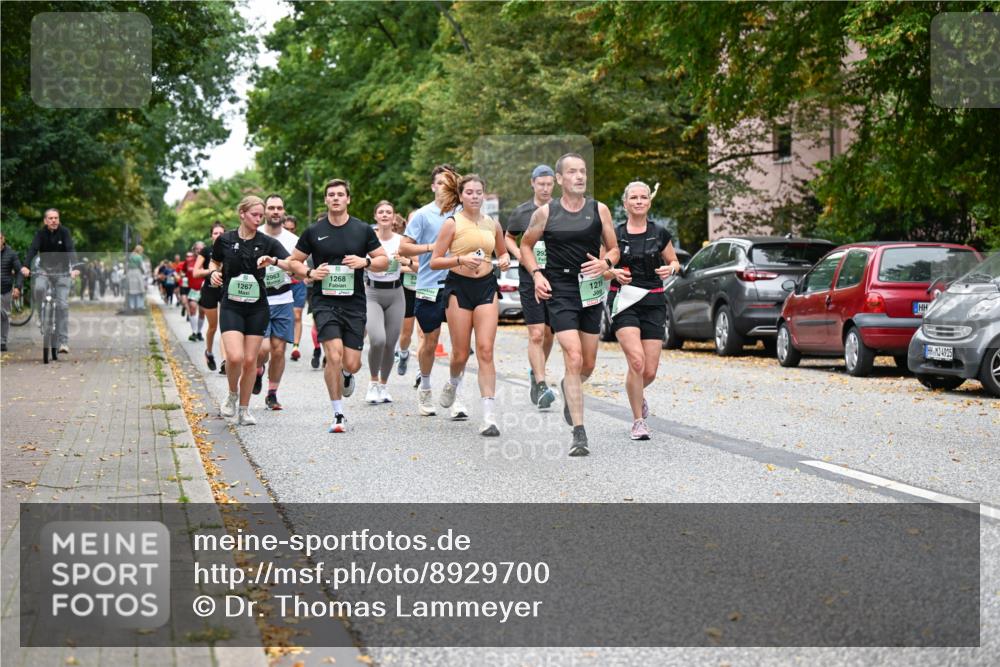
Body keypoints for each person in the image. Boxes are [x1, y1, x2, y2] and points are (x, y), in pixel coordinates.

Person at [519, 153, 619, 457]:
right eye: (572, 172)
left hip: (590, 289)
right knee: (573, 356)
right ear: (560, 179)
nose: (579, 176)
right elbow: (525, 245)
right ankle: (579, 432)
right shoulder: (545, 213)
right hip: (560, 288)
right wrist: (536, 274)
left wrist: (605, 263)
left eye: (583, 171)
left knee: (586, 365)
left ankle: (568, 386)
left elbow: (614, 249)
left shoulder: (598, 210)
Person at [287, 179, 388, 433]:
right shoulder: (313, 231)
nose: (335, 198)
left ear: (348, 199)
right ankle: (338, 414)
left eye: (340, 195)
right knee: (333, 355)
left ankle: (346, 374)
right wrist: (309, 273)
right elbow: (293, 262)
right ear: (325, 200)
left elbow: (383, 261)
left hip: (354, 302)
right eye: (331, 195)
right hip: (324, 302)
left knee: (351, 363)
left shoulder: (362, 230)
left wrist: (364, 262)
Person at [429, 173, 510, 436]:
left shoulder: (492, 224)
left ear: (483, 194)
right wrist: (460, 259)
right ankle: (453, 382)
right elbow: (435, 261)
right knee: (461, 354)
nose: (475, 196)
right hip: (459, 288)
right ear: (461, 196)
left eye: (479, 192)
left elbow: (502, 251)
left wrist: (506, 259)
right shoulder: (452, 223)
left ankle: (489, 417)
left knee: (485, 350)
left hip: (486, 287)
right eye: (470, 192)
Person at [604, 182, 681, 440]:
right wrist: (612, 272)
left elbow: (674, 262)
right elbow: (602, 269)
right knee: (636, 361)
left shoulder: (659, 233)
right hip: (624, 301)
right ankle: (638, 421)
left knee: (648, 371)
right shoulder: (615, 235)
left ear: (649, 202)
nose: (639, 201)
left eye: (643, 197)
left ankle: (637, 393)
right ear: (625, 204)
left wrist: (670, 269)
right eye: (633, 198)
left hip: (653, 301)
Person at [208, 196, 291, 425]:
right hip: (231, 305)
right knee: (234, 357)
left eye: (261, 215)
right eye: (255, 214)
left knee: (250, 361)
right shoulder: (224, 240)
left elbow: (292, 263)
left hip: (257, 307)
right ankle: (232, 394)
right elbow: (214, 263)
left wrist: (273, 261)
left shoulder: (267, 242)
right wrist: (213, 273)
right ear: (242, 214)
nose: (259, 218)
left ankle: (244, 411)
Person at [398, 164, 458, 416]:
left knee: (461, 342)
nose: (444, 188)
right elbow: (403, 248)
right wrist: (431, 247)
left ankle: (457, 393)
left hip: (458, 284)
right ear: (433, 186)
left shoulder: (465, 214)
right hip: (429, 284)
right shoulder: (423, 215)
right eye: (440, 183)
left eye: (449, 183)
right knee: (430, 341)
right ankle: (425, 387)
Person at [504, 164, 557, 410]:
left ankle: (535, 373)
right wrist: (520, 256)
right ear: (532, 183)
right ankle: (542, 383)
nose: (545, 189)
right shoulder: (522, 212)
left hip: (557, 278)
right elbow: (508, 237)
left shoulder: (562, 210)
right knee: (536, 333)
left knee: (548, 334)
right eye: (541, 184)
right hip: (529, 277)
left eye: (549, 184)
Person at [255, 194, 299, 410]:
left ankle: (272, 393)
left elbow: (298, 269)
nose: (275, 211)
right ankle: (257, 370)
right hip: (259, 299)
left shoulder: (293, 240)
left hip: (283, 298)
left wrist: (299, 273)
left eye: (279, 208)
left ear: (283, 211)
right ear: (264, 211)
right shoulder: (255, 235)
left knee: (279, 349)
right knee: (262, 349)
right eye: (271, 207)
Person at [363, 201, 408, 404]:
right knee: (378, 340)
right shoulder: (367, 240)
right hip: (372, 293)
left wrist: (406, 261)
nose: (384, 215)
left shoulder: (401, 241)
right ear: (375, 216)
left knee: (390, 344)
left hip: (396, 293)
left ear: (393, 217)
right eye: (380, 211)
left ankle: (383, 385)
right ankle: (372, 383)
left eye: (388, 212)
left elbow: (417, 266)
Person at [22, 208, 80, 354]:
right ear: (45, 221)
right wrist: (25, 266)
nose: (54, 220)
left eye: (56, 218)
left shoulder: (64, 232)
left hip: (62, 272)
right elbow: (32, 250)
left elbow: (70, 249)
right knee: (39, 288)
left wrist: (75, 267)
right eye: (51, 218)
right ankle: (41, 317)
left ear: (58, 219)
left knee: (63, 305)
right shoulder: (40, 234)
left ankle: (63, 342)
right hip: (44, 270)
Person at [193, 223, 225, 371]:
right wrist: (212, 271)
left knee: (227, 327)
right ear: (211, 235)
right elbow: (196, 273)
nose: (218, 235)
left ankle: (225, 360)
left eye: (221, 233)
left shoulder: (231, 249)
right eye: (215, 233)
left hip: (226, 290)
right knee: (213, 326)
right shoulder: (206, 251)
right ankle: (209, 352)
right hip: (210, 290)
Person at [393, 213, 419, 376]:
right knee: (406, 333)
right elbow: (396, 266)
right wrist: (412, 266)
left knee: (425, 334)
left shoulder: (433, 239)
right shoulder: (403, 242)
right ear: (408, 223)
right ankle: (403, 353)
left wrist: (411, 264)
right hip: (408, 289)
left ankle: (421, 372)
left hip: (426, 290)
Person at [282, 215, 307, 361]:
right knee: (287, 316)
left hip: (297, 283)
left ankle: (296, 346)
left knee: (297, 315)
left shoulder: (298, 241)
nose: (289, 231)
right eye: (286, 229)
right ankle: (280, 342)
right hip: (282, 283)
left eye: (292, 229)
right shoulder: (276, 241)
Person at [1, 232, 24, 352]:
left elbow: (19, 271)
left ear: (3, 239)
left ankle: (2, 342)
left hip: (5, 288)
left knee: (4, 314)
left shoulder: (11, 254)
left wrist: (17, 287)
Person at [184, 248, 206, 341]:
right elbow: (183, 271)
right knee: (192, 308)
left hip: (204, 290)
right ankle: (193, 332)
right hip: (193, 289)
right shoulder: (188, 261)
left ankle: (199, 332)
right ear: (193, 250)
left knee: (202, 311)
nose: (199, 250)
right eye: (197, 248)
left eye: (201, 248)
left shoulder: (207, 260)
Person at [125, 246, 146, 312]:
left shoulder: (130, 256)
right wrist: (145, 272)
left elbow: (126, 265)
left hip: (130, 273)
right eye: (142, 251)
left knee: (131, 290)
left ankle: (132, 305)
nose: (142, 252)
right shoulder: (139, 257)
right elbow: (142, 266)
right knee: (140, 290)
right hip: (137, 273)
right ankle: (140, 305)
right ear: (139, 250)